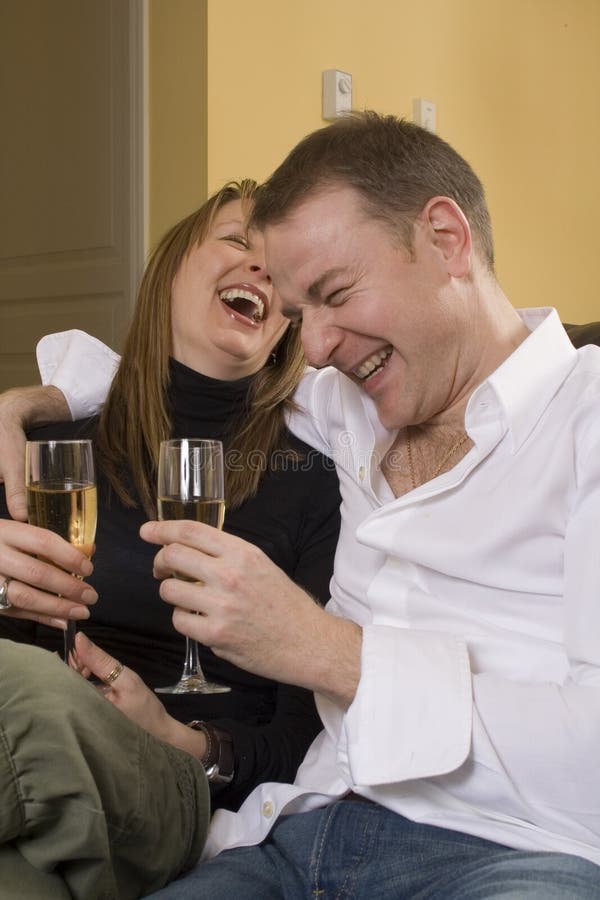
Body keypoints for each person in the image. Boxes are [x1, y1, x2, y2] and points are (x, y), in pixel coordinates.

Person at [3, 111, 600, 899]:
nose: (311, 346)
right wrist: (29, 402)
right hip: (294, 835)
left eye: (334, 294)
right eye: (297, 313)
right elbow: (180, 378)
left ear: (448, 240)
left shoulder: (584, 420)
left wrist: (322, 650)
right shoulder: (342, 407)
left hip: (516, 856)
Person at [0, 179, 342, 894]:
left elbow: (303, 740)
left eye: (275, 268)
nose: (257, 268)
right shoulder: (49, 450)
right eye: (235, 240)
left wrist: (179, 739)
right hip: (47, 790)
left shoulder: (311, 481)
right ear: (169, 266)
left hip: (175, 790)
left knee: (25, 691)